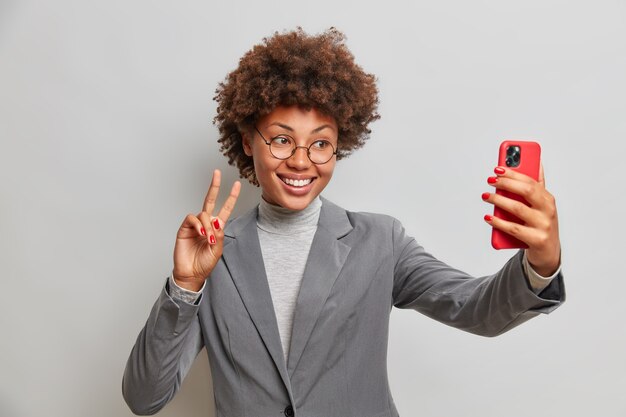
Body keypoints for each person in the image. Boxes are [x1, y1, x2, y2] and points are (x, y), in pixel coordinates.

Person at [122, 28, 564, 417]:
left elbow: (477, 308)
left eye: (321, 144)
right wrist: (185, 286)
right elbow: (145, 398)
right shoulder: (213, 256)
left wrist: (541, 262)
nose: (300, 160)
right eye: (281, 140)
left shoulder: (381, 241)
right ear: (246, 142)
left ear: (339, 147)